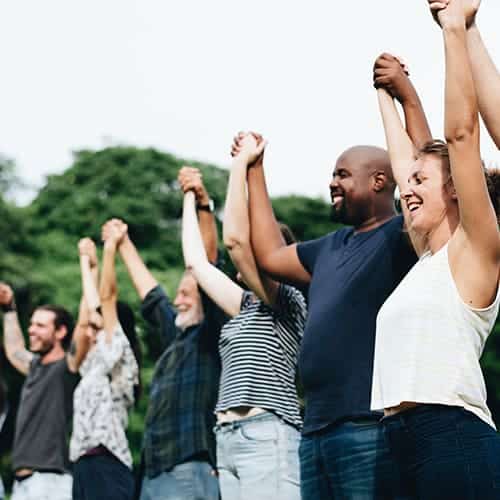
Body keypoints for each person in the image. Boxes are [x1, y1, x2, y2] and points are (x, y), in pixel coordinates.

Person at [234, 123, 416, 498]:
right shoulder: (328, 248)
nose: (332, 182)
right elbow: (269, 255)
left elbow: (425, 177)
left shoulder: (400, 237)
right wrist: (255, 168)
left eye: (343, 174)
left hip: (367, 426)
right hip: (315, 427)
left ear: (379, 181)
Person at [372, 0, 500, 497]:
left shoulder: (477, 250)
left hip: (453, 436)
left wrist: (453, 28)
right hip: (392, 440)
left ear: (454, 189)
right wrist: (385, 96)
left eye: (421, 180)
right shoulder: (424, 263)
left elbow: (462, 135)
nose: (406, 189)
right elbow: (407, 162)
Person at [180, 136, 306, 500]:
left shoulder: (288, 301)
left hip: (267, 433)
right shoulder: (247, 305)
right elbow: (197, 263)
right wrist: (189, 196)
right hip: (228, 437)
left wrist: (240, 164)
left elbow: (234, 241)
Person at [110, 168, 224, 500]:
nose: (179, 299)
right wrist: (124, 243)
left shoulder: (210, 336)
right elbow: (151, 294)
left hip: (191, 465)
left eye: (187, 293)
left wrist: (202, 205)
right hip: (152, 470)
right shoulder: (177, 336)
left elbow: (207, 265)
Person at [69, 232, 140, 500]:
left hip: (108, 466)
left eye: (97, 326)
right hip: (83, 467)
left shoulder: (119, 356)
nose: (90, 331)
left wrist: (109, 249)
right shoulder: (93, 365)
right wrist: (88, 265)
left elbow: (106, 298)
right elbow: (88, 313)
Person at [0, 283, 82, 500]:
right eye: (31, 324)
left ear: (61, 332)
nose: (31, 330)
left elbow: (83, 334)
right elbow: (15, 350)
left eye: (40, 325)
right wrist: (9, 308)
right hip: (24, 482)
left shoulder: (67, 368)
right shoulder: (35, 367)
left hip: (51, 480)